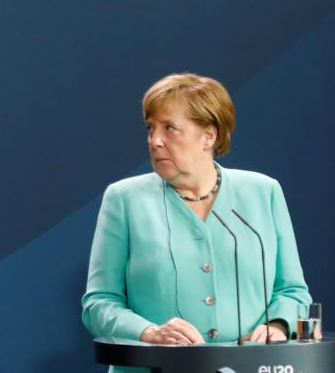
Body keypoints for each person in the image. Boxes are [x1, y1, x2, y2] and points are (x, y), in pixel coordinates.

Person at [81, 73, 311, 371]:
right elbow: (98, 304)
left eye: (170, 129)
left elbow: (293, 291)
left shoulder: (263, 192)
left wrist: (278, 325)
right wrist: (150, 333)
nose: (155, 141)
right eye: (150, 128)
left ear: (209, 136)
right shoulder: (124, 199)